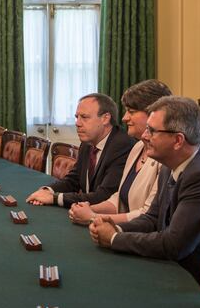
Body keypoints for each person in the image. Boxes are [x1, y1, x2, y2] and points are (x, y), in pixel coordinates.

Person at [90, 96, 200, 281]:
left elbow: (175, 245)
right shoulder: (169, 165)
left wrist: (114, 238)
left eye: (152, 131)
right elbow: (153, 218)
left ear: (178, 140)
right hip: (187, 267)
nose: (145, 136)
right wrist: (117, 228)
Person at [69, 80, 171, 225]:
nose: (124, 118)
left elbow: (148, 215)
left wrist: (93, 217)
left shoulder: (164, 157)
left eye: (132, 111)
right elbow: (119, 199)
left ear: (153, 114)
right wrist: (88, 209)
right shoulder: (137, 148)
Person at [26, 93, 135, 208]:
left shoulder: (122, 145)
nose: (77, 123)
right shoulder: (87, 143)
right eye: (77, 117)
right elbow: (74, 179)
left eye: (84, 117)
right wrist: (48, 190)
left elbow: (105, 196)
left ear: (105, 118)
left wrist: (55, 198)